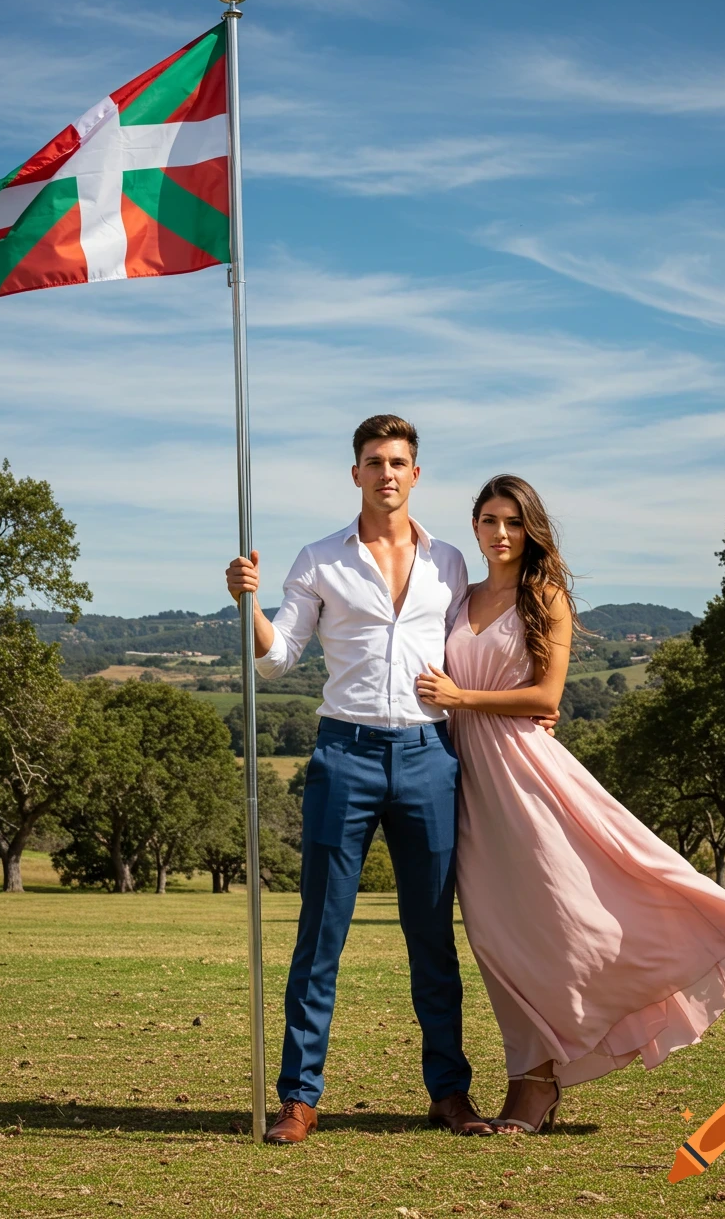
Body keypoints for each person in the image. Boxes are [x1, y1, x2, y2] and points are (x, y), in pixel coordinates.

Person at [416, 474, 725, 1135]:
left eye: (513, 521)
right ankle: (532, 1073)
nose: (501, 533)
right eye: (489, 520)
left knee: (561, 920)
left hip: (524, 776)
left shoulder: (545, 596)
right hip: (467, 781)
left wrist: (463, 698)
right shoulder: (460, 596)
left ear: (530, 529)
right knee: (495, 939)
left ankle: (535, 1085)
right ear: (474, 526)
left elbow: (546, 697)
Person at [225, 417, 554, 1144]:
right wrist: (248, 606)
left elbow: (478, 647)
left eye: (398, 462)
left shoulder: (450, 563)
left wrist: (532, 706)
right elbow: (276, 661)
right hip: (343, 754)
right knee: (321, 934)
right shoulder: (319, 559)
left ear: (416, 474)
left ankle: (449, 1094)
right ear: (356, 474)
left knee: (432, 936)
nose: (386, 473)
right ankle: (299, 1099)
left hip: (430, 756)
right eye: (374, 462)